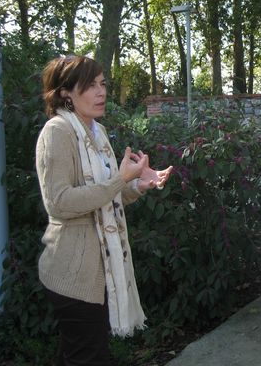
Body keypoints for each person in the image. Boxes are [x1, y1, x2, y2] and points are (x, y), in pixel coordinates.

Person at [36, 55, 173, 365]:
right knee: (88, 356)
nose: (101, 92)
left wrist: (138, 185)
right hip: (73, 275)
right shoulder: (58, 132)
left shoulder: (95, 134)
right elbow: (59, 203)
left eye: (102, 84)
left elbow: (108, 198)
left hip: (97, 271)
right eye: (90, 86)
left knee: (77, 354)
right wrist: (119, 179)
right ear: (65, 93)